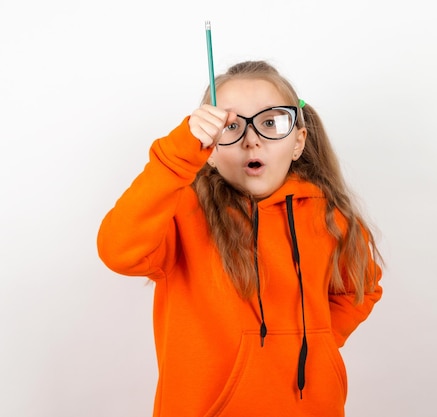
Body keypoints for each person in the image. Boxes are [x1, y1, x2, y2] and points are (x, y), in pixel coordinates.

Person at [97, 60, 383, 417]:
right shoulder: (182, 214)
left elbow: (362, 287)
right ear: (210, 151)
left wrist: (317, 342)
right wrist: (177, 155)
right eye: (231, 126)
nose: (252, 141)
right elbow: (117, 250)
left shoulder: (329, 217)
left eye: (270, 123)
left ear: (298, 142)